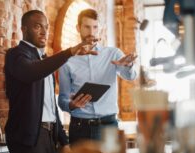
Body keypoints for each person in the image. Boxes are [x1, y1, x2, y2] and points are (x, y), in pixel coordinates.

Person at [4, 10, 98, 153]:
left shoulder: (45, 60)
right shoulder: (15, 55)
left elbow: (51, 107)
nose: (44, 32)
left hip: (49, 137)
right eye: (37, 27)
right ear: (24, 29)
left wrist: (63, 141)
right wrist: (70, 52)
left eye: (46, 27)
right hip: (28, 139)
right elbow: (31, 72)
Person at [58, 9, 138, 145]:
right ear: (78, 28)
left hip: (109, 126)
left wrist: (128, 65)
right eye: (87, 27)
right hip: (80, 128)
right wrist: (71, 105)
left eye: (95, 27)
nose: (91, 31)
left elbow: (130, 76)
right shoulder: (68, 60)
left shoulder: (113, 54)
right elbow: (62, 99)